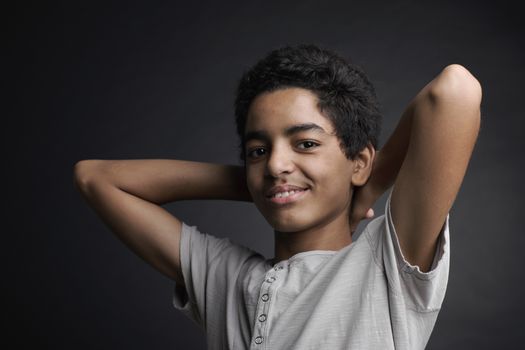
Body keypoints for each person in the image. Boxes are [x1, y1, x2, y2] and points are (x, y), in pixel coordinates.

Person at [73, 44, 481, 349]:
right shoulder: (225, 279)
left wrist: (369, 184)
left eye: (304, 144)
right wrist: (268, 183)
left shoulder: (385, 263)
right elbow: (96, 177)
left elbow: (454, 91)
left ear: (358, 161)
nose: (275, 164)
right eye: (258, 151)